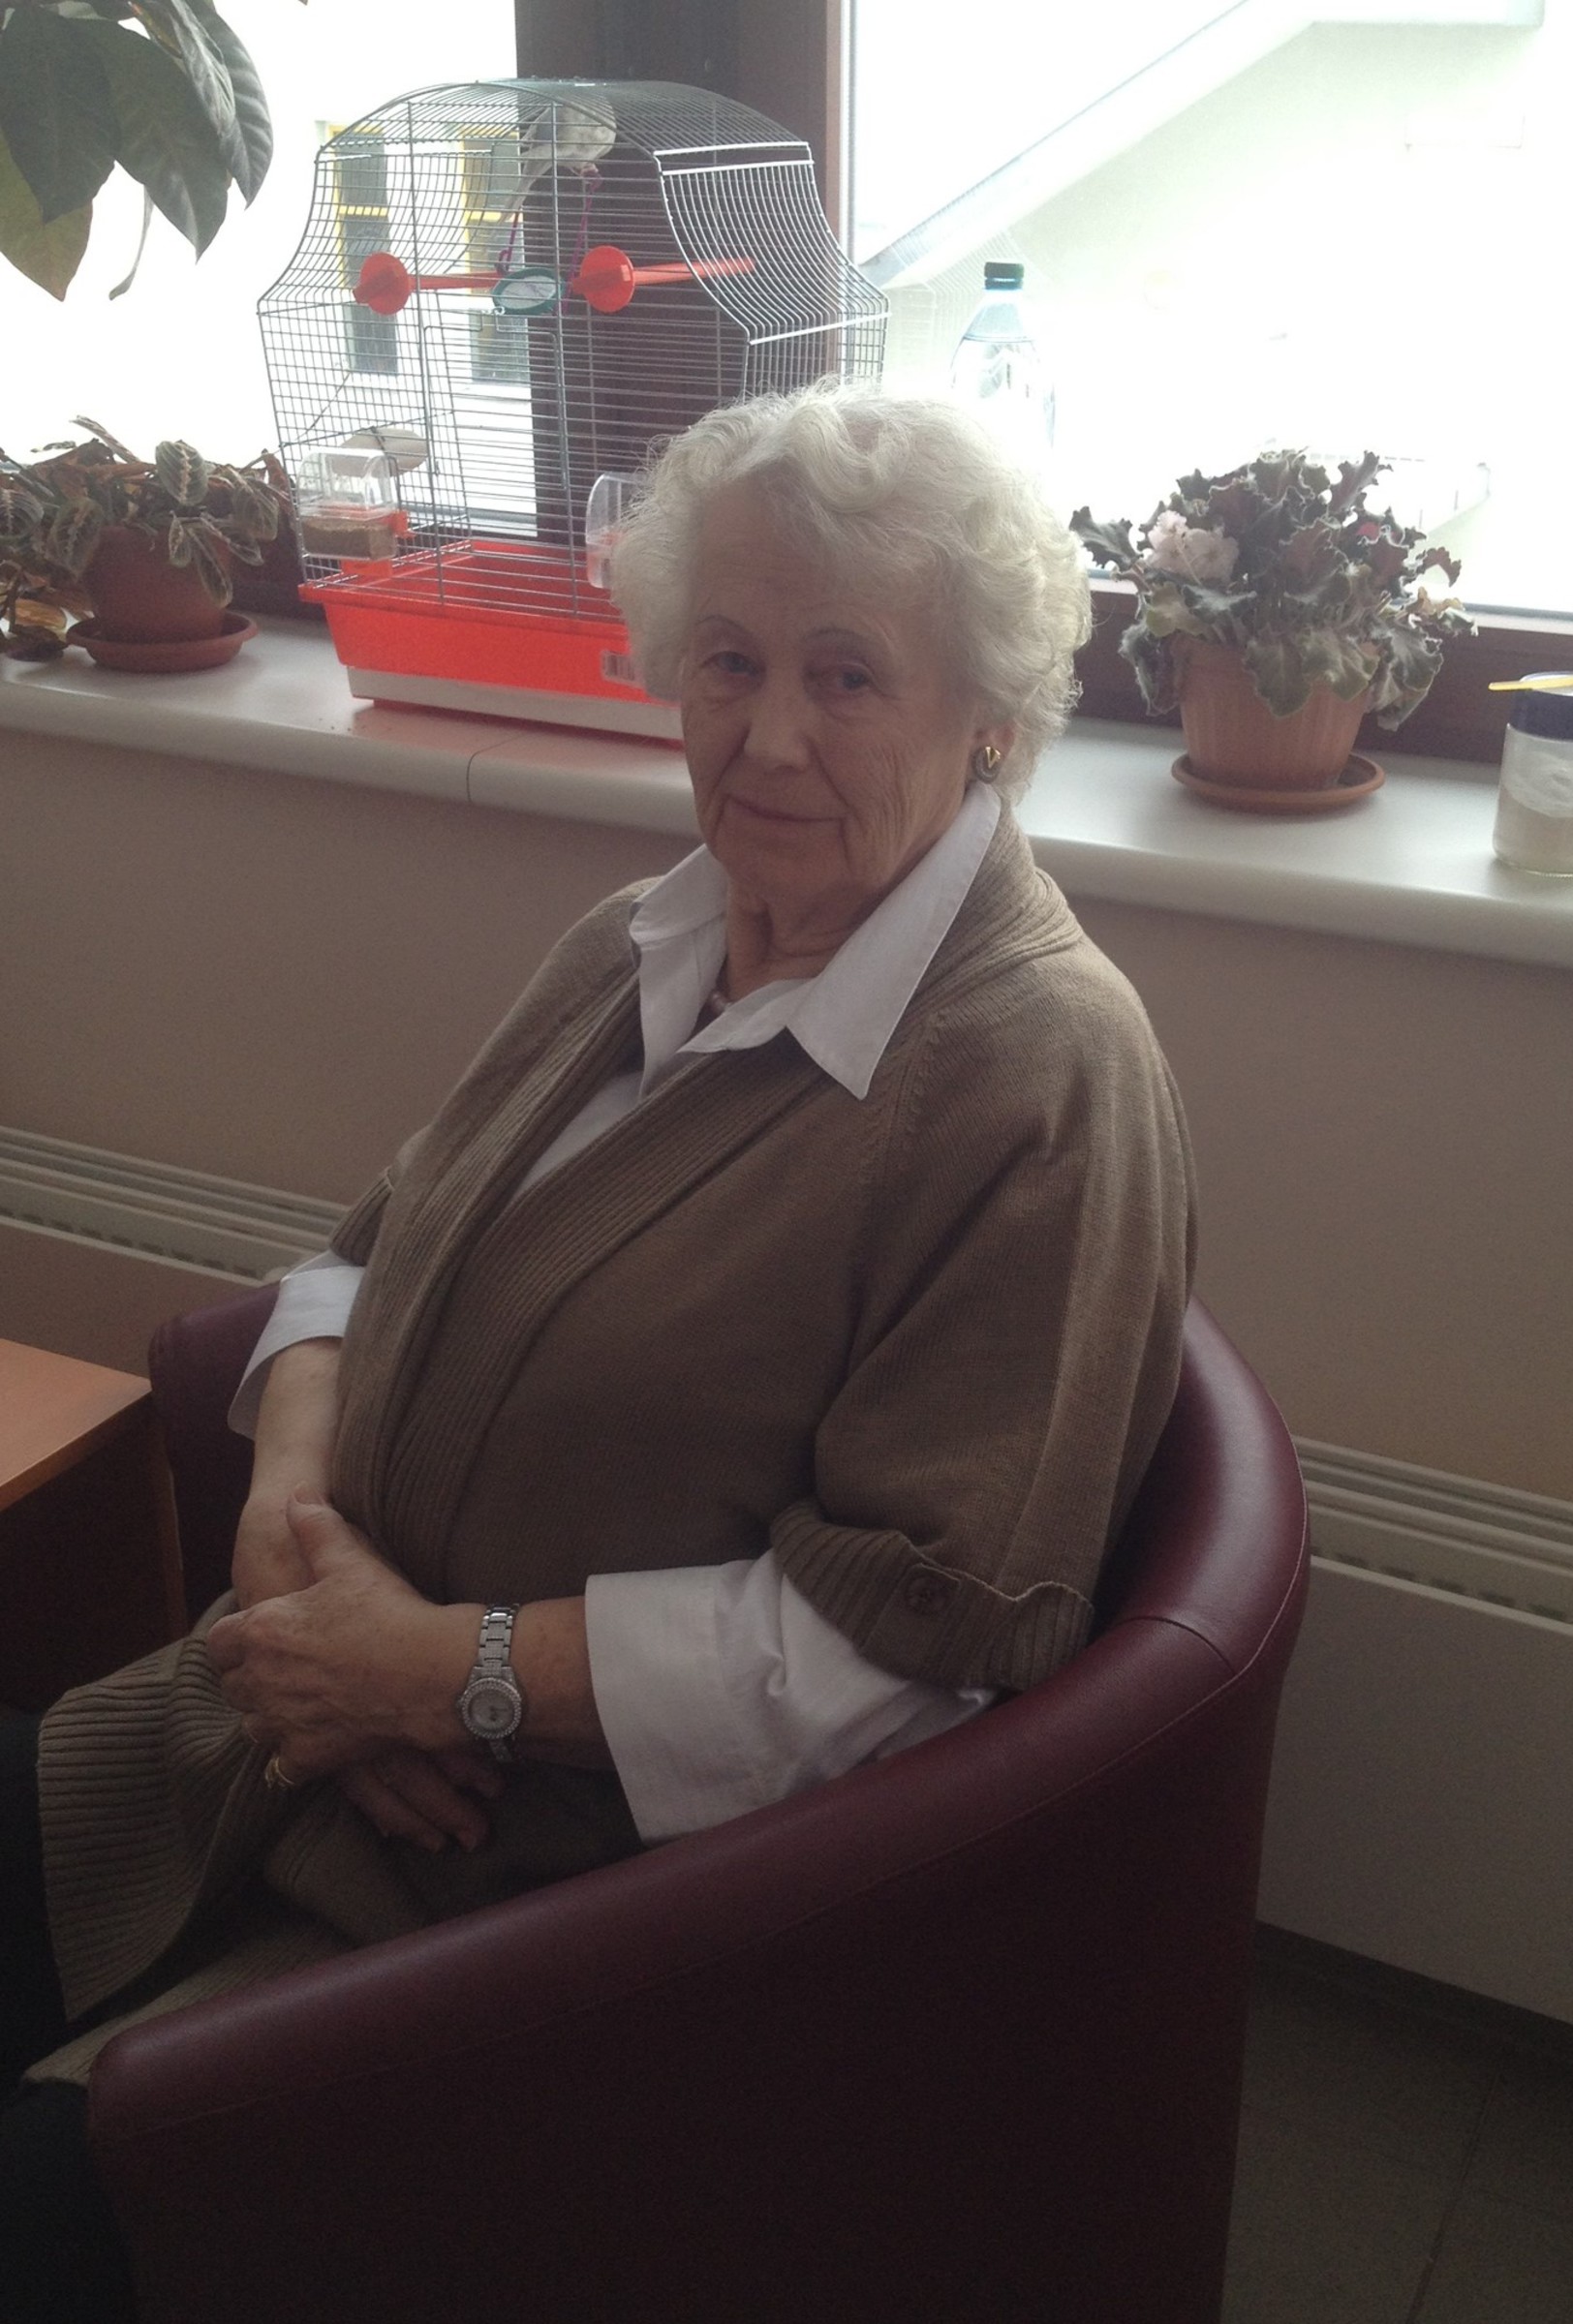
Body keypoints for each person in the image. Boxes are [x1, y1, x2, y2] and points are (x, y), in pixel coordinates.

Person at [0, 382, 1195, 2320]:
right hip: (266, 1722)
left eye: (846, 676)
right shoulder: (649, 934)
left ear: (989, 716)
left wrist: (438, 1679)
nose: (768, 734)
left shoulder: (1037, 1081)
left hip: (540, 1911)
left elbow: (908, 1659)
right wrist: (293, 1520)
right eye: (727, 660)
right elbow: (373, 1247)